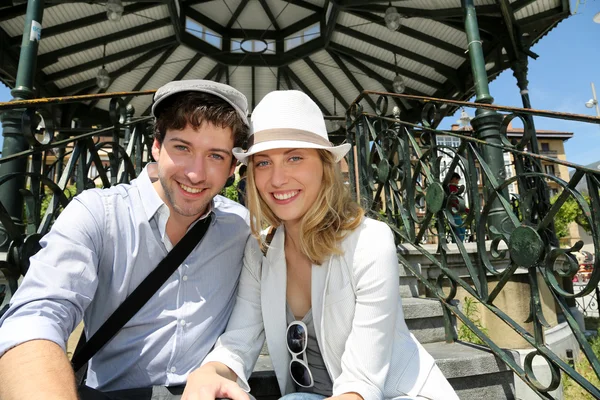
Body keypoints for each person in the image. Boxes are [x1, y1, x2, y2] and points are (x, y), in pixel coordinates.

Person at [183, 91, 458, 400]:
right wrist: (210, 372)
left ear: (325, 166)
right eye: (263, 163)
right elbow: (239, 340)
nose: (276, 179)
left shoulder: (370, 241)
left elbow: (361, 383)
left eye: (294, 157)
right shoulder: (259, 251)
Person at [0, 80, 252, 400]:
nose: (195, 174)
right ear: (156, 146)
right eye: (182, 147)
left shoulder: (239, 228)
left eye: (215, 156)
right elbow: (34, 321)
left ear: (233, 167)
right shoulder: (97, 215)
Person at [447, 172, 468, 242]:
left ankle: (458, 242)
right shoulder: (451, 187)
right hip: (454, 211)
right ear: (453, 179)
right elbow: (455, 201)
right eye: (457, 180)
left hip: (455, 210)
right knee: (459, 230)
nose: (457, 182)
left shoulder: (451, 187)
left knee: (459, 230)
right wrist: (465, 209)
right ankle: (459, 243)